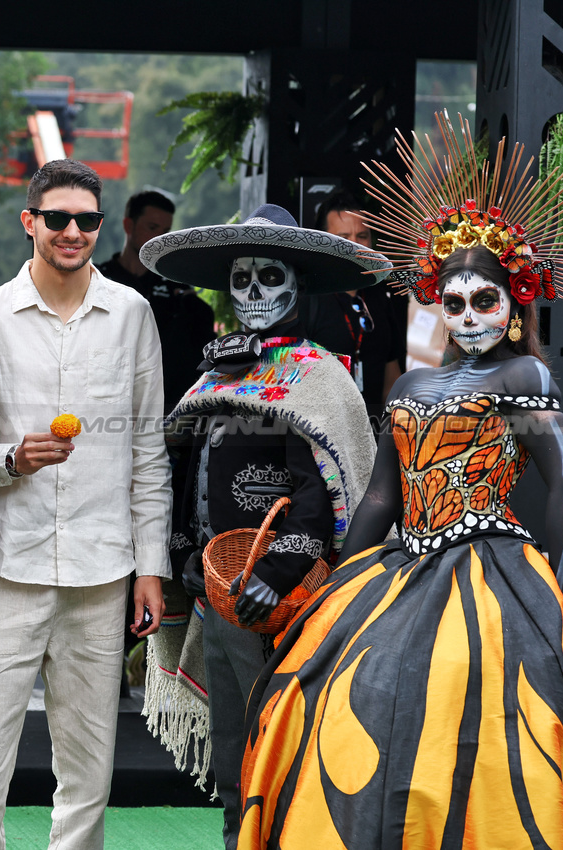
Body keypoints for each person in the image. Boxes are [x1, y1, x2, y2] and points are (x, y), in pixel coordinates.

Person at [238, 116, 563, 848]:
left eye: (485, 300)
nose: (469, 316)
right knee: (349, 689)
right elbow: (383, 496)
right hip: (402, 566)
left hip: (494, 569)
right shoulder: (410, 385)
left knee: (487, 708)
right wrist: (337, 578)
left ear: (513, 307)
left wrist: (562, 593)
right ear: (435, 305)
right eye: (453, 302)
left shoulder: (524, 374)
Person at [137, 203, 385, 850]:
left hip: (285, 601)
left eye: (266, 278)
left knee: (281, 742)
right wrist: (184, 559)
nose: (251, 293)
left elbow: (322, 494)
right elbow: (187, 466)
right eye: (240, 279)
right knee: (231, 750)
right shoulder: (220, 370)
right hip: (220, 593)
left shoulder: (316, 378)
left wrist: (276, 575)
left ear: (294, 287)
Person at [0, 159, 171, 849]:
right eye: (57, 219)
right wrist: (10, 460)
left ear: (101, 226)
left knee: (87, 776)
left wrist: (150, 568)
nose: (72, 232)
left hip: (101, 572)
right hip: (3, 566)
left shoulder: (132, 313)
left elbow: (147, 452)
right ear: (29, 223)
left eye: (85, 220)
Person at [97, 190, 216, 410]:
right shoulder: (98, 280)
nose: (159, 239)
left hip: (165, 408)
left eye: (165, 232)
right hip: (106, 401)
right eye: (152, 228)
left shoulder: (178, 290)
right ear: (128, 226)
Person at [299, 191, 407, 423]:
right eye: (343, 237)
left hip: (374, 437)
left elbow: (392, 382)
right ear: (322, 240)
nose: (354, 246)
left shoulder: (380, 295)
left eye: (362, 236)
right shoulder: (306, 299)